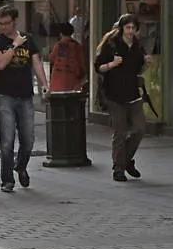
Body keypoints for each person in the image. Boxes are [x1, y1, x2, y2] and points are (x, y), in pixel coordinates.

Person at [0, 6, 48, 193]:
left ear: (15, 21)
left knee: (28, 139)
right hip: (5, 95)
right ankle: (7, 180)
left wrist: (45, 84)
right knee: (7, 140)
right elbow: (1, 64)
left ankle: (20, 166)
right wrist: (14, 45)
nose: (3, 27)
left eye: (7, 23)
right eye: (0, 24)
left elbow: (36, 63)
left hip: (26, 94)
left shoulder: (28, 40)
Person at [95, 13, 148, 182]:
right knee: (121, 132)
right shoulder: (112, 45)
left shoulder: (138, 46)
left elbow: (139, 71)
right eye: (128, 28)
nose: (130, 31)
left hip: (133, 94)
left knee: (139, 129)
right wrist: (112, 64)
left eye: (133, 28)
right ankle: (119, 168)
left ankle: (126, 160)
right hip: (114, 95)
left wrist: (146, 63)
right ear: (122, 29)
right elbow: (98, 67)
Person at [47, 22, 88, 93]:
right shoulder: (77, 47)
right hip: (73, 85)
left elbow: (51, 59)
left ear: (61, 33)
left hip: (57, 85)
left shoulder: (57, 46)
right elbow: (82, 65)